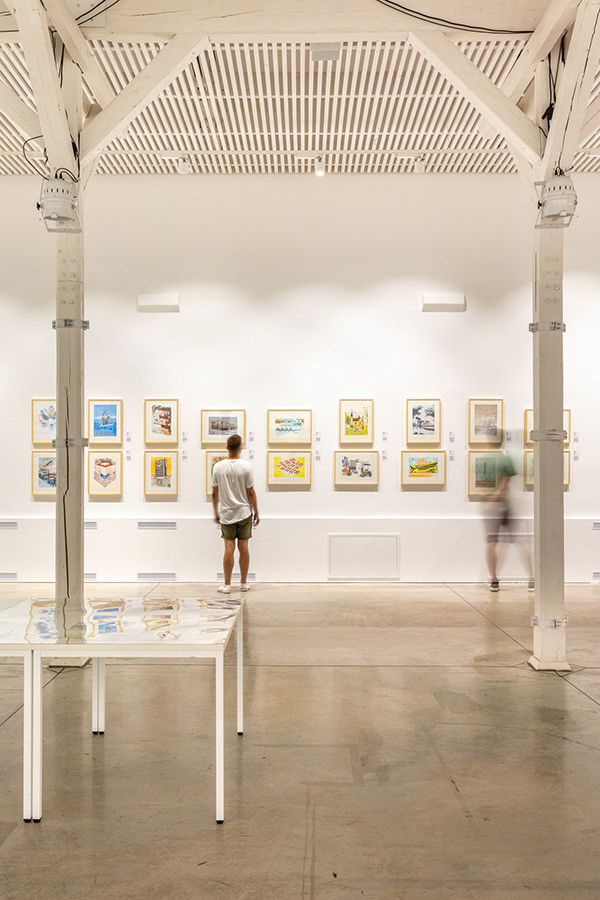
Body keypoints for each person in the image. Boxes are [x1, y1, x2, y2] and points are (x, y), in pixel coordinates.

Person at [212, 434, 259, 594]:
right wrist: (256, 511)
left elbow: (214, 493)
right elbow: (251, 492)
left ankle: (227, 585)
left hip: (227, 513)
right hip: (244, 512)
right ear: (241, 448)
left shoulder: (218, 467)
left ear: (227, 448)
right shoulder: (246, 466)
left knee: (229, 547)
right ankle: (244, 583)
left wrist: (215, 512)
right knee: (244, 547)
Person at [483, 451, 533, 592]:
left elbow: (503, 487)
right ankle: (531, 579)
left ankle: (495, 579)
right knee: (512, 543)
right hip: (504, 509)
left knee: (494, 543)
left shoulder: (500, 460)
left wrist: (489, 502)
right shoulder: (504, 460)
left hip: (500, 509)